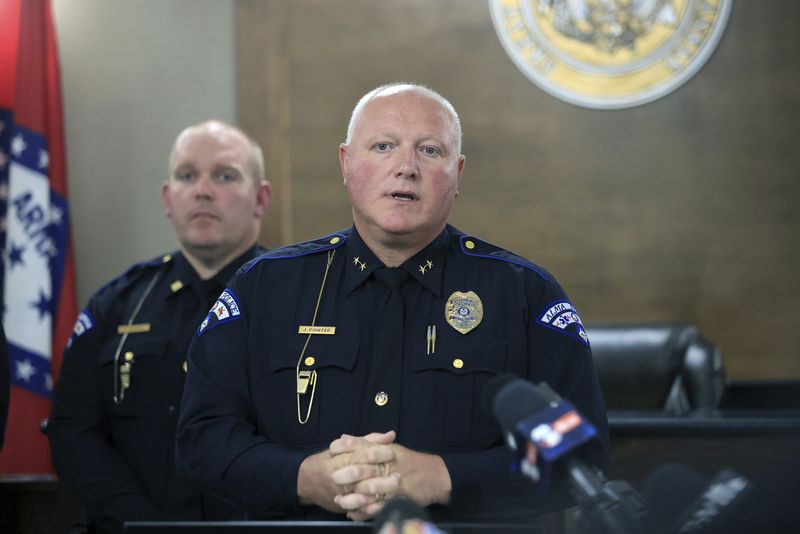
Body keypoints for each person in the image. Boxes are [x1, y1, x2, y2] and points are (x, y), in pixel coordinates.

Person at [175, 84, 609, 524]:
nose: (406, 167)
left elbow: (582, 459)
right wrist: (303, 477)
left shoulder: (524, 294)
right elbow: (201, 439)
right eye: (383, 146)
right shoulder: (264, 287)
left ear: (457, 173)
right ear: (346, 164)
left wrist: (445, 477)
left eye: (430, 150)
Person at [47, 120, 272, 533]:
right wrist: (143, 524)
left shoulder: (302, 300)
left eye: (224, 175)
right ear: (168, 199)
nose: (202, 190)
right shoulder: (117, 304)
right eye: (187, 176)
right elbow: (73, 430)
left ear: (260, 199)